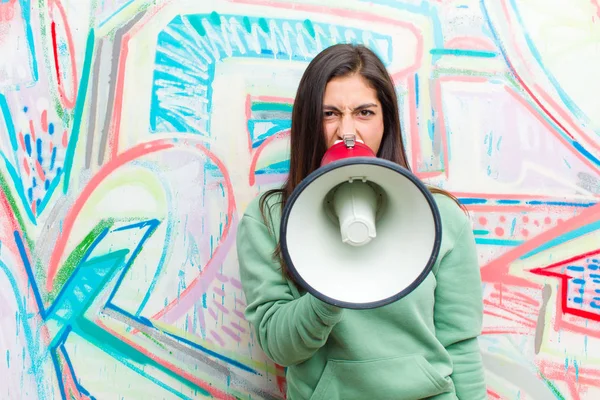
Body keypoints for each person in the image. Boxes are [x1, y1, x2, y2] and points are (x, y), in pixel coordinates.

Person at [236, 43, 486, 400]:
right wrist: (330, 288)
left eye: (364, 112)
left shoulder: (439, 216)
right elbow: (279, 346)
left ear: (387, 121)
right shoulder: (269, 218)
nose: (347, 131)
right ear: (308, 122)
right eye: (329, 114)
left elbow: (459, 344)